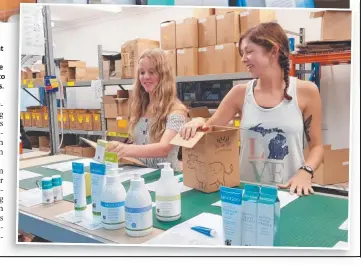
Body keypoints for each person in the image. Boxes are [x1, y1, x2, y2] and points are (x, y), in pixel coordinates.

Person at [180, 22, 323, 196]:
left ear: (273, 51)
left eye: (249, 51)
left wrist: (305, 172)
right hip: (247, 191)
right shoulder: (240, 93)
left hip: (290, 191)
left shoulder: (306, 91)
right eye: (242, 53)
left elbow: (317, 147)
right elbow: (209, 128)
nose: (243, 59)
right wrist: (198, 121)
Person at [107, 48, 188, 172]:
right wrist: (116, 149)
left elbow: (164, 148)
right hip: (141, 174)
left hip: (167, 177)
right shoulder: (140, 107)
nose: (145, 77)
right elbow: (142, 145)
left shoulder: (176, 110)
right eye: (142, 72)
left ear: (163, 75)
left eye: (151, 72)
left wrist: (125, 149)